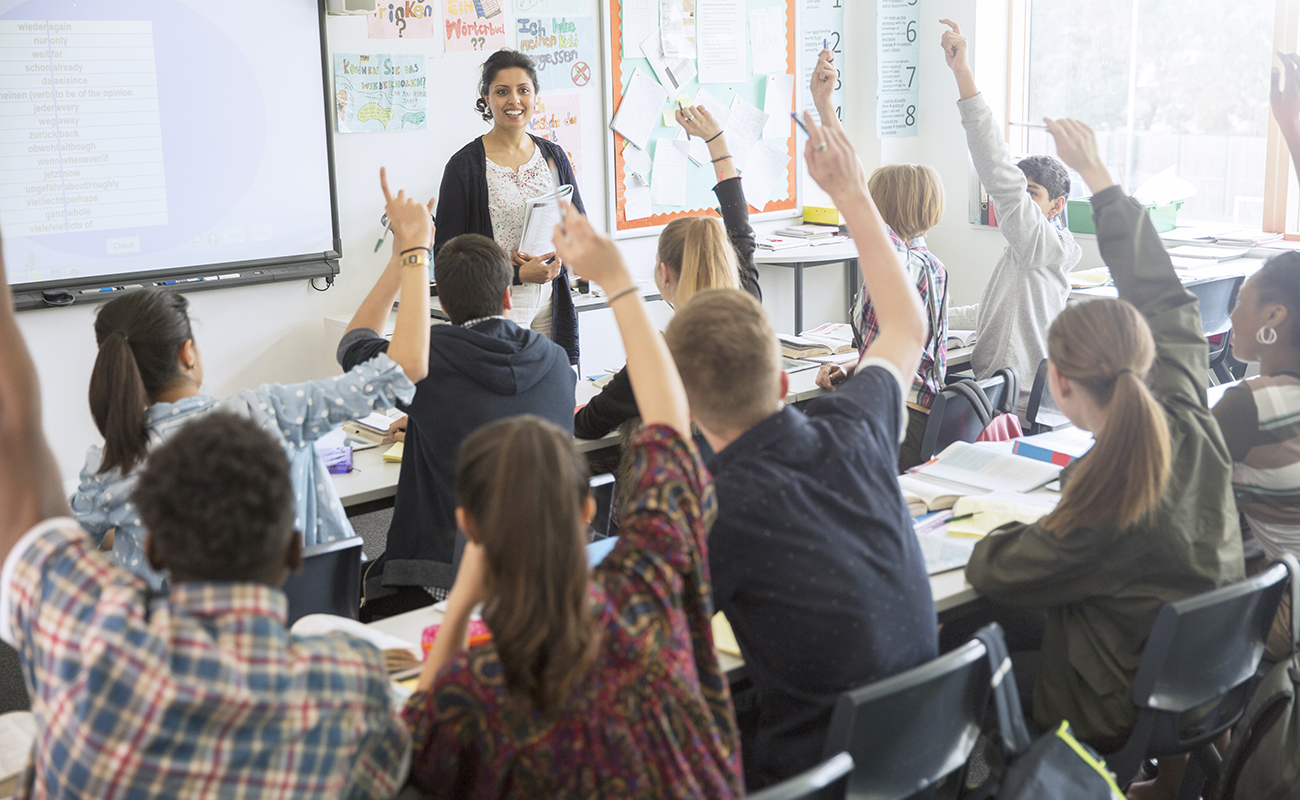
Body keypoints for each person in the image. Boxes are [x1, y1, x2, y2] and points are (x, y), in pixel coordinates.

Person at [0, 237, 414, 795]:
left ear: (154, 549)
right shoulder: (352, 691)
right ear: (293, 551)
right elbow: (402, 367)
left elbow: (31, 504)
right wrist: (411, 253)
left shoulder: (88, 683)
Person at [399, 203, 743, 799]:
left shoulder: (473, 691)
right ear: (589, 511)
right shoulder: (652, 593)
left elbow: (405, 753)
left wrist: (459, 608)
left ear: (468, 527)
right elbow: (667, 420)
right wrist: (616, 281)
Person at [664, 113, 937, 788]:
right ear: (785, 381)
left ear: (691, 411)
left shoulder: (715, 510)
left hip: (816, 775)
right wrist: (850, 192)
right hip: (924, 754)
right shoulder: (857, 428)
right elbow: (906, 323)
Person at [963, 118, 1245, 769]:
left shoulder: (1104, 499)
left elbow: (992, 569)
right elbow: (1164, 294)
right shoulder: (1186, 409)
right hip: (1202, 680)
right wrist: (1099, 176)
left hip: (1116, 702)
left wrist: (1008, 526)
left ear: (1057, 384)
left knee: (974, 650)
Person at [71, 169, 432, 591]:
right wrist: (414, 251)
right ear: (188, 352)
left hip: (169, 647)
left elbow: (61, 560)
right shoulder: (267, 414)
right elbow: (404, 367)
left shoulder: (108, 466)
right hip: (297, 627)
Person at [340, 230, 575, 619]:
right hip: (540, 575)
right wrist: (422, 419)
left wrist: (404, 256)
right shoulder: (555, 360)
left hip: (446, 585)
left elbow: (352, 345)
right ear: (506, 296)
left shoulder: (428, 361)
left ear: (444, 305)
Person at [573, 103, 761, 441]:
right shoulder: (749, 311)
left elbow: (587, 425)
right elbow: (741, 230)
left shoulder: (657, 359)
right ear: (723, 258)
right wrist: (716, 142)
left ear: (664, 273)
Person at [940, 20, 1081, 412]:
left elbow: (996, 169)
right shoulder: (1026, 250)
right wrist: (931, 316)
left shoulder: (1038, 243)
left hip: (1010, 405)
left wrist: (962, 74)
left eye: (1030, 194)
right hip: (1002, 391)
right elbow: (990, 313)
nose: (1017, 202)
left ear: (1057, 206)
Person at [1210, 53, 1300, 663]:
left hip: (1285, 611)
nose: (1231, 316)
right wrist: (1291, 129)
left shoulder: (1251, 405)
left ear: (1273, 318)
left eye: (1241, 302)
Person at [434, 48, 582, 365]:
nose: (514, 100)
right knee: (508, 399)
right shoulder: (464, 167)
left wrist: (559, 258)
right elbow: (447, 257)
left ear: (535, 96)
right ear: (486, 98)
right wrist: (515, 272)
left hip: (553, 300)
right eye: (502, 92)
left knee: (553, 395)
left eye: (523, 90)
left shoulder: (554, 157)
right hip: (495, 305)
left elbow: (579, 229)